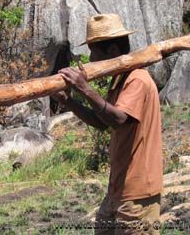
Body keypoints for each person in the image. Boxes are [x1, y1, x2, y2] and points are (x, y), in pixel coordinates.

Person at [52, 14, 163, 235]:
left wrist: (85, 89)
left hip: (138, 192)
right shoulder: (119, 80)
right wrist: (70, 101)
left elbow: (119, 119)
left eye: (94, 53)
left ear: (112, 52)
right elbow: (104, 122)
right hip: (118, 189)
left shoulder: (137, 79)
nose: (91, 60)